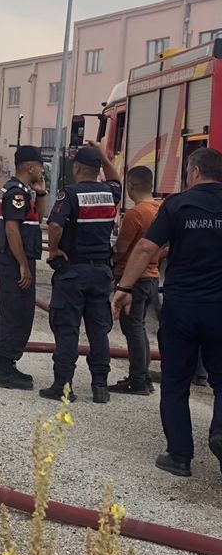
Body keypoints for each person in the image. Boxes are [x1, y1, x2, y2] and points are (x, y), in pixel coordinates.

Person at [113, 145, 222, 478]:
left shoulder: (177, 204)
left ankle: (179, 456)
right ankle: (220, 432)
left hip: (182, 308)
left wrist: (124, 288)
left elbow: (147, 247)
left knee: (175, 383)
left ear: (193, 172)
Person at [40, 140, 121, 404]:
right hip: (101, 273)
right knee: (99, 331)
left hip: (73, 271)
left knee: (67, 329)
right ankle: (100, 386)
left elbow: (54, 225)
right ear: (97, 168)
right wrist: (103, 156)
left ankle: (63, 386)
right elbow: (115, 178)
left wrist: (53, 251)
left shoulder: (70, 194)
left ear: (76, 168)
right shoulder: (110, 192)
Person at [0, 145, 47, 389]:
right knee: (14, 313)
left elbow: (38, 219)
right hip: (14, 263)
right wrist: (23, 265)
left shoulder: (24, 191)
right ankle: (3, 371)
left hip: (20, 261)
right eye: (41, 168)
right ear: (30, 167)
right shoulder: (16, 192)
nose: (43, 172)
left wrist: (42, 194)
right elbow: (12, 230)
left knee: (22, 313)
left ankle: (8, 365)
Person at [111, 165, 161, 394]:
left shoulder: (135, 214)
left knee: (133, 330)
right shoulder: (160, 210)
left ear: (130, 186)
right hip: (152, 278)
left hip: (133, 280)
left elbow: (121, 249)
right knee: (139, 329)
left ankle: (138, 379)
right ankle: (142, 376)